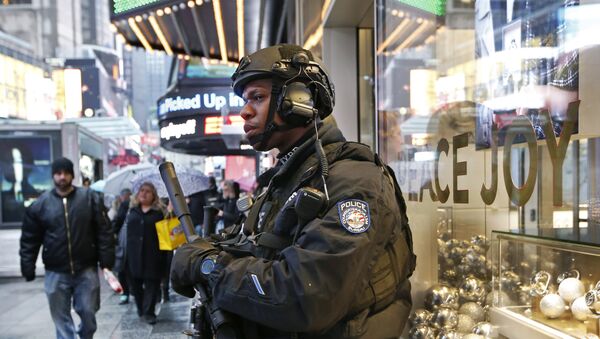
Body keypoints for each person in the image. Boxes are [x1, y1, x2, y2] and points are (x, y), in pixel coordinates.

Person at [171, 44, 416, 338]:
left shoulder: (353, 182)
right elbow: (259, 246)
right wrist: (205, 249)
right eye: (245, 101)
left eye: (257, 98)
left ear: (299, 99)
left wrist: (210, 267)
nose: (244, 112)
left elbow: (306, 296)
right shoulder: (288, 180)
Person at [19, 157, 115, 339]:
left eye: (66, 173)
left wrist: (106, 261)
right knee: (59, 316)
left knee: (88, 312)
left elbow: (104, 231)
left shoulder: (89, 198)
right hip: (56, 271)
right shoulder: (41, 205)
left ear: (72, 174)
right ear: (53, 176)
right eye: (58, 173)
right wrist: (28, 266)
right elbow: (30, 239)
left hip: (85, 268)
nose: (62, 177)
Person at [124, 182, 167, 325]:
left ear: (154, 195)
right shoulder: (131, 211)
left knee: (151, 284)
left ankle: (149, 312)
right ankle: (141, 309)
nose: (143, 193)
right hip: (133, 255)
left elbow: (165, 236)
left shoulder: (159, 213)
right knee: (135, 285)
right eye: (141, 190)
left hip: (153, 255)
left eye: (148, 191)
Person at [112, 188, 132, 305]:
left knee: (123, 269)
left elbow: (117, 222)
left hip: (125, 244)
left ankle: (126, 293)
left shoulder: (125, 205)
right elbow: (118, 221)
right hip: (125, 243)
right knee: (124, 269)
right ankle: (126, 293)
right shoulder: (124, 205)